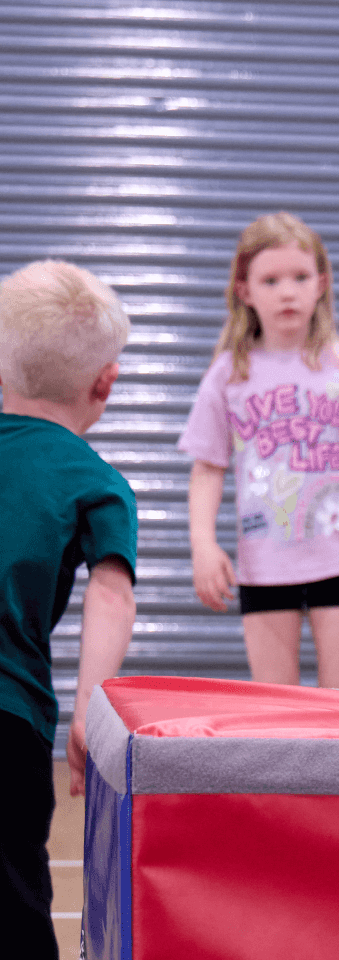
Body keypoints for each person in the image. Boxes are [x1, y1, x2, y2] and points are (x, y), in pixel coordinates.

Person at [180, 212, 339, 689]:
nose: (287, 291)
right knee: (273, 710)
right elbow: (208, 469)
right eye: (271, 280)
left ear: (321, 284)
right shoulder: (228, 375)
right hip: (263, 564)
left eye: (300, 277)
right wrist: (202, 543)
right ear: (245, 290)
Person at [0, 260, 137, 958]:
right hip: (7, 717)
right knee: (13, 901)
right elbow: (110, 593)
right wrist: (90, 708)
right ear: (104, 383)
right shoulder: (94, 479)